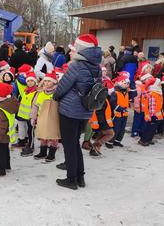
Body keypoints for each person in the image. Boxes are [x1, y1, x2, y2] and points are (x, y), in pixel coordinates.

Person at [53, 34, 102, 190]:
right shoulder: (97, 67)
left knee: (69, 145)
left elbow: (62, 87)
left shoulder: (76, 66)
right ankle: (80, 177)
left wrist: (55, 96)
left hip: (70, 110)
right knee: (75, 143)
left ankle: (71, 179)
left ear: (81, 49)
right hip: (85, 110)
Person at [32, 71, 59, 162]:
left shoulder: (57, 94)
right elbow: (35, 105)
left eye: (49, 81)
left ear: (54, 82)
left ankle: (51, 154)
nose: (46, 83)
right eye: (45, 81)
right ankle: (42, 152)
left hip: (54, 119)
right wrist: (33, 117)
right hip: (42, 118)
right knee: (43, 136)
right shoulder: (40, 93)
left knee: (53, 136)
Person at [106, 74, 130, 148]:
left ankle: (117, 141)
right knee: (115, 129)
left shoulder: (126, 92)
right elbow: (113, 103)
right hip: (117, 115)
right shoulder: (115, 93)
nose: (126, 85)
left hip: (124, 114)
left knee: (122, 129)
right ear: (120, 83)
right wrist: (120, 108)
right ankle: (109, 142)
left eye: (127, 84)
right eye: (125, 83)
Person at [18, 71, 38, 157]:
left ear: (35, 82)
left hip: (31, 116)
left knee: (31, 132)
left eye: (32, 81)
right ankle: (29, 144)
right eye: (28, 81)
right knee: (28, 131)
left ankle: (31, 146)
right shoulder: (26, 91)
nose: (30, 83)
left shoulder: (36, 92)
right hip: (26, 116)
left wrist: (34, 117)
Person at [139, 78, 163, 146]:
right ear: (155, 85)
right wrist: (153, 115)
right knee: (150, 128)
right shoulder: (153, 94)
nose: (160, 86)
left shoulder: (157, 93)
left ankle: (149, 139)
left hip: (157, 115)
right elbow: (151, 106)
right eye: (159, 85)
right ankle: (143, 140)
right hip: (154, 115)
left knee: (153, 129)